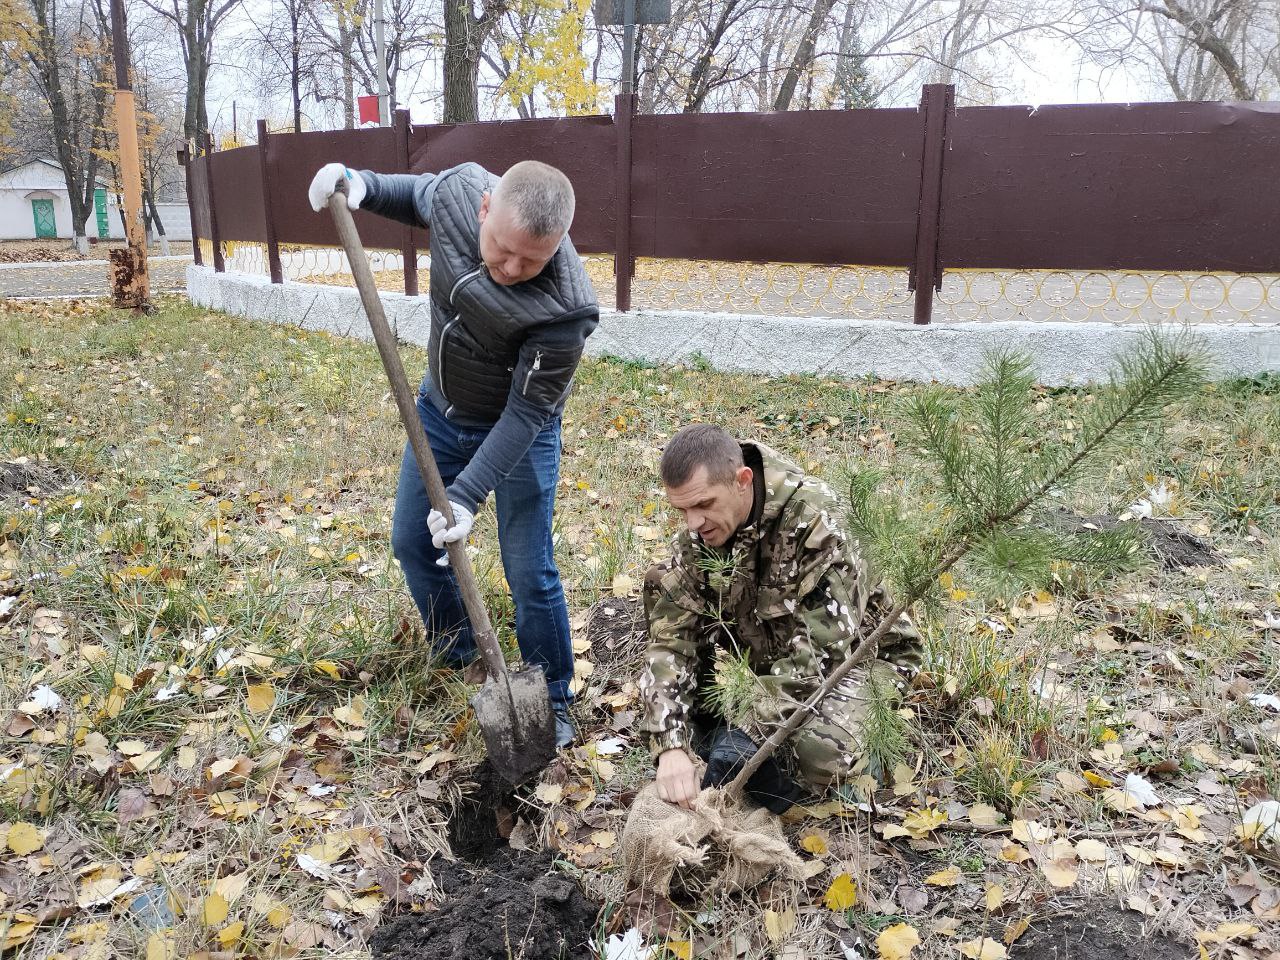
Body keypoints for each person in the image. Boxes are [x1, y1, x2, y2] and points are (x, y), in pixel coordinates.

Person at [307, 159, 599, 748]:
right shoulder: (460, 193)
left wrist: (466, 495)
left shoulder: (568, 310)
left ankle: (553, 697)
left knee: (528, 568)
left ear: (558, 244)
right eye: (502, 249)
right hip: (439, 412)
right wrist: (361, 184)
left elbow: (526, 414)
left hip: (520, 434)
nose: (511, 269)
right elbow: (417, 195)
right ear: (484, 207)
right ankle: (461, 655)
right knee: (413, 543)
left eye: (531, 261)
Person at [640, 424, 922, 811]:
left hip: (861, 657)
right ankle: (711, 724)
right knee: (662, 581)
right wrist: (670, 743)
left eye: (704, 504)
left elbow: (821, 656)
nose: (693, 523)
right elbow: (672, 641)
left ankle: (870, 748)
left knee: (822, 752)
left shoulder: (818, 523)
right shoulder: (702, 534)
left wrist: (748, 733)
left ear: (743, 481)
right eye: (682, 510)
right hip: (772, 655)